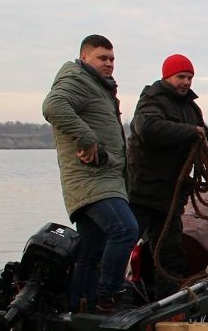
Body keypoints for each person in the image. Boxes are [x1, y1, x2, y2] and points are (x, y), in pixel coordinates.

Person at [42, 34, 138, 315]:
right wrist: (87, 139)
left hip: (103, 179)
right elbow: (52, 106)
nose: (109, 64)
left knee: (91, 250)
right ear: (84, 57)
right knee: (125, 229)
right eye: (102, 58)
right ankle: (108, 294)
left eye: (112, 59)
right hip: (92, 181)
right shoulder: (77, 81)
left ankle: (80, 306)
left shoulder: (97, 86)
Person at [127, 53, 208, 300]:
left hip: (171, 197)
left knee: (170, 253)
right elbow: (147, 128)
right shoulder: (151, 100)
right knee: (124, 242)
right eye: (181, 77)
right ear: (167, 76)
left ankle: (168, 303)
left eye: (189, 77)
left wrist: (205, 145)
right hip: (142, 193)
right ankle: (106, 295)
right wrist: (191, 133)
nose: (186, 82)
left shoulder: (191, 108)